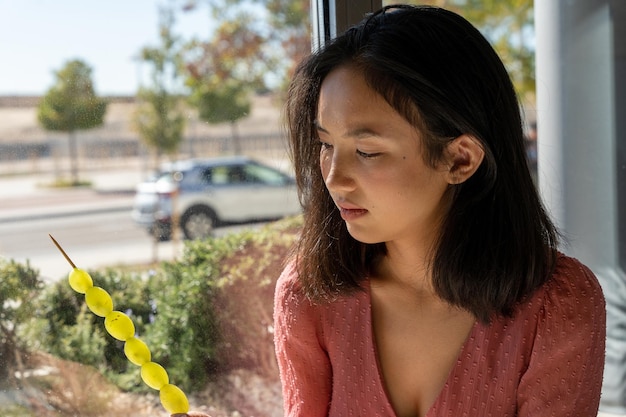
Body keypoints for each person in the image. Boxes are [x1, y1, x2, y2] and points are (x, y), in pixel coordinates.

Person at [273, 4, 606, 417]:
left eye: (367, 151)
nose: (334, 178)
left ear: (460, 159)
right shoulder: (310, 293)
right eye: (326, 145)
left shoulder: (557, 303)